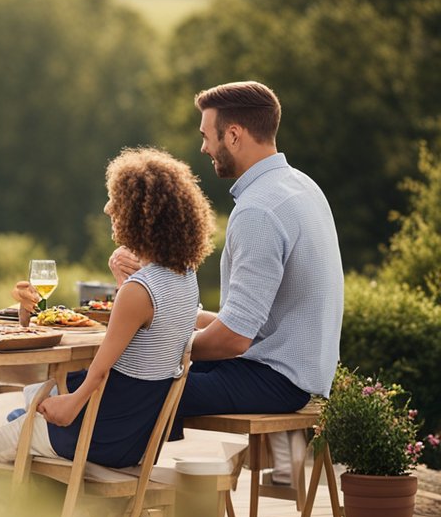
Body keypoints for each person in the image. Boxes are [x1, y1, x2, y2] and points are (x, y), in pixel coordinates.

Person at [109, 81, 343, 485]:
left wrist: (163, 344)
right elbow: (252, 322)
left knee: (133, 388)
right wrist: (179, 318)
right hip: (301, 371)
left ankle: (104, 494)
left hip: (276, 381)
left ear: (233, 135)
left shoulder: (257, 212)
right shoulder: (302, 187)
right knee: (136, 380)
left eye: (206, 135)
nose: (203, 147)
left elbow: (235, 339)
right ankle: (124, 488)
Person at [0, 147, 215, 470]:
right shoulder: (185, 278)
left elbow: (101, 369)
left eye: (115, 201)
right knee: (19, 421)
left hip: (91, 437)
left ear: (140, 213)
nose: (107, 208)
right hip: (133, 441)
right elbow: (140, 348)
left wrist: (70, 406)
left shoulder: (140, 290)